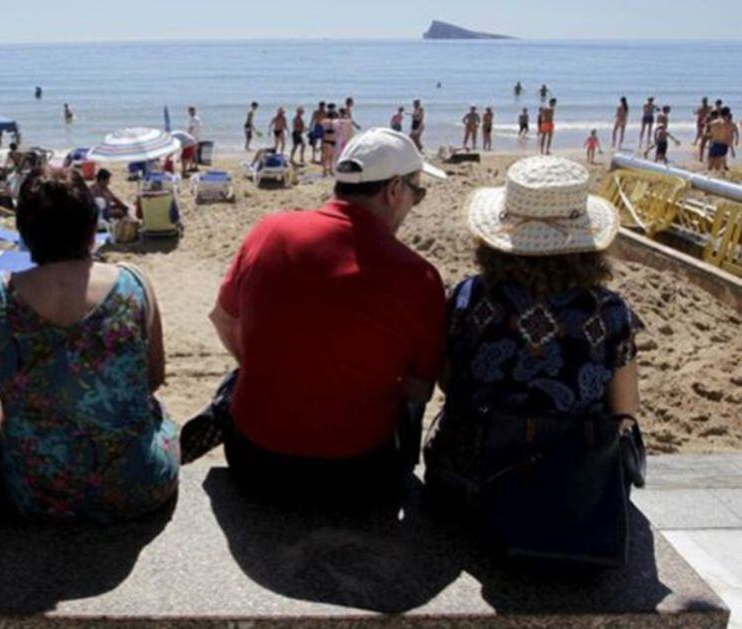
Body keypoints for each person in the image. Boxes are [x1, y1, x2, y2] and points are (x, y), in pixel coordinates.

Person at [181, 128, 447, 503]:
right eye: (416, 193)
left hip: (255, 464)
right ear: (393, 190)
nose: (414, 203)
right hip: (357, 477)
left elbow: (223, 319)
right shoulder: (419, 276)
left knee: (241, 375)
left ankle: (223, 410)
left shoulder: (269, 232)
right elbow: (418, 389)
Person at [424, 155, 642, 529]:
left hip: (469, 481)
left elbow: (448, 381)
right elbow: (626, 408)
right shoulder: (609, 311)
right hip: (572, 490)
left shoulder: (470, 296)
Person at [0, 167, 179, 520]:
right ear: (91, 227)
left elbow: (8, 374)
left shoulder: (0, 292)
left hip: (33, 491)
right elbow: (153, 377)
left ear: (25, 233)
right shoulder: (132, 283)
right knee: (161, 416)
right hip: (136, 487)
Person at [708, 108, 734, 172]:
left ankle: (706, 178)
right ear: (727, 114)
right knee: (718, 168)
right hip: (722, 145)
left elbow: (710, 134)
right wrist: (732, 149)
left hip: (713, 144)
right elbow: (729, 137)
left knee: (710, 166)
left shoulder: (713, 123)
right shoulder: (728, 124)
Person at [320, 110, 338, 177]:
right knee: (328, 156)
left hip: (328, 140)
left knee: (329, 156)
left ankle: (328, 170)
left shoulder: (325, 121)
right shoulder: (329, 122)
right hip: (329, 140)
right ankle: (326, 170)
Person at [185, 106, 202, 172]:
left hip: (192, 138)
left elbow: (190, 129)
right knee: (195, 153)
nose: (189, 113)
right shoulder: (198, 119)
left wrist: (187, 136)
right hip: (197, 137)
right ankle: (195, 166)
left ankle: (191, 166)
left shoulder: (192, 119)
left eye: (189, 111)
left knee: (191, 153)